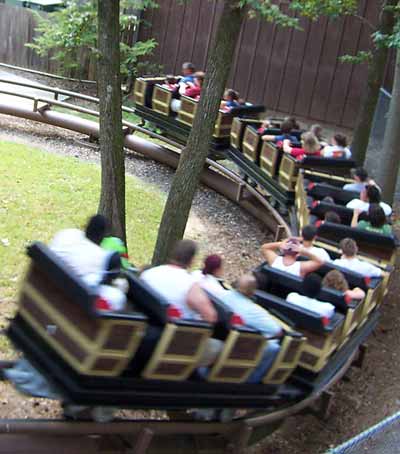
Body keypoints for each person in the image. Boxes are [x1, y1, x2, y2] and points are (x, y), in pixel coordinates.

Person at [50, 215, 126, 311]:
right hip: (71, 301)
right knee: (117, 296)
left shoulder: (66, 234)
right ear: (102, 236)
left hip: (46, 284)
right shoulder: (101, 257)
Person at [218, 274, 282, 383]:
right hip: (240, 347)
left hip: (223, 338)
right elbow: (277, 331)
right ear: (253, 291)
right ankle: (252, 381)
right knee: (274, 347)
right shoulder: (254, 311)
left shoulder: (221, 295)